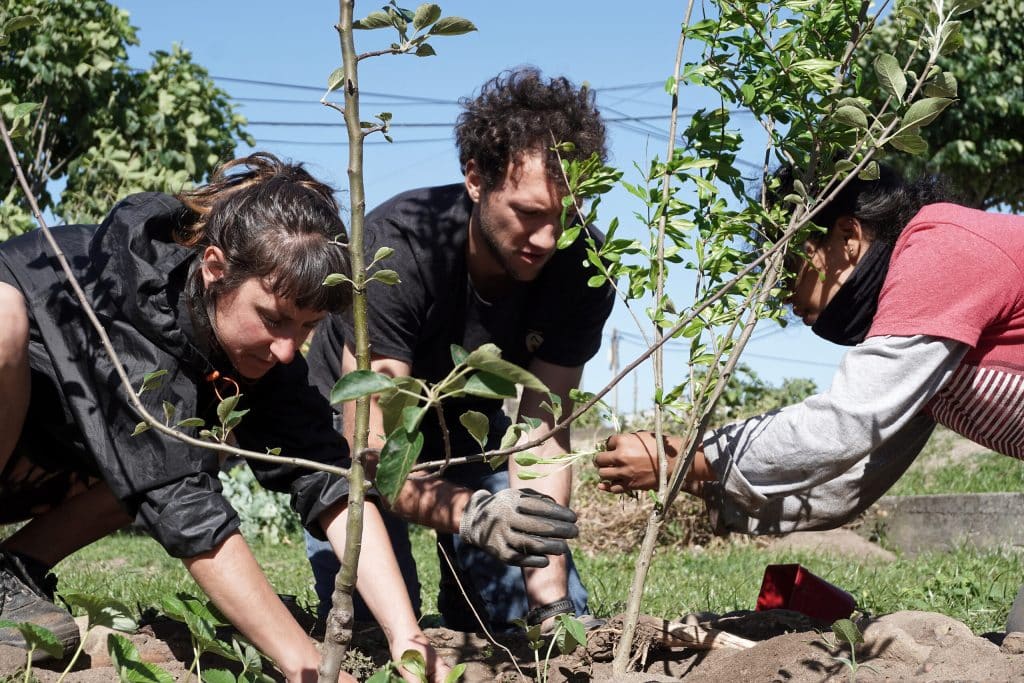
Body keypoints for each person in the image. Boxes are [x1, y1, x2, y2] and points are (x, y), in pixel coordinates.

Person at [0, 153, 448, 682]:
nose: (287, 350)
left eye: (306, 328)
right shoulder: (132, 301)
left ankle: (12, 572)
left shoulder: (254, 350)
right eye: (274, 320)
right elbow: (182, 505)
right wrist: (311, 670)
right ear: (214, 269)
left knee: (196, 442)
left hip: (39, 457)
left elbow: (327, 475)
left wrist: (407, 636)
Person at [594, 163, 1024, 630]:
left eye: (789, 267)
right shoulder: (920, 337)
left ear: (847, 236)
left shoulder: (940, 248)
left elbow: (842, 424)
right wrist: (702, 479)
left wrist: (689, 458)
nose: (782, 295)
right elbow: (849, 483)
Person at [304, 66, 615, 634]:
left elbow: (545, 427)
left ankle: (482, 599)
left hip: (470, 427)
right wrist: (471, 514)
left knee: (529, 617)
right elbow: (370, 446)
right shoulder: (397, 248)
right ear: (475, 179)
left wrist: (548, 606)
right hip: (352, 433)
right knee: (371, 626)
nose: (547, 238)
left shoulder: (581, 266)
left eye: (565, 214)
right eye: (528, 213)